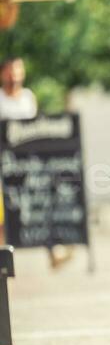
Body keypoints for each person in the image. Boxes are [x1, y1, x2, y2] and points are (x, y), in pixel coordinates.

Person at [0, 57, 73, 269]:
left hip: (27, 166)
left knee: (37, 206)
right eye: (10, 71)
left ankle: (52, 251)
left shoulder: (28, 98)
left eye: (17, 71)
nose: (14, 76)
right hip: (4, 165)